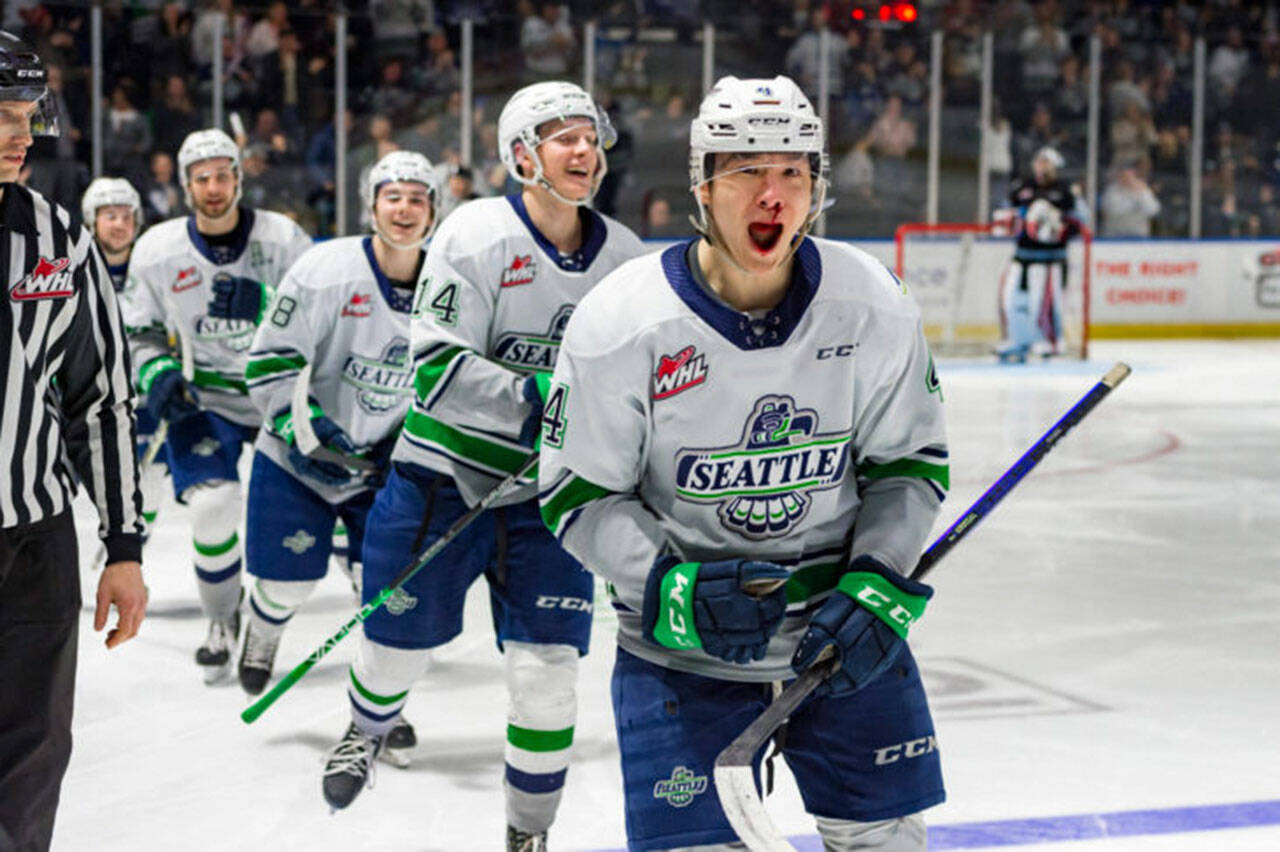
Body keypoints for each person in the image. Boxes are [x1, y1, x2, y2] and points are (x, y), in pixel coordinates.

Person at [537, 75, 949, 851]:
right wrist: (670, 584)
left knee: (888, 840)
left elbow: (909, 465)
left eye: (794, 170)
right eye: (748, 170)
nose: (774, 194)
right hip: (678, 651)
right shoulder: (623, 322)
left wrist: (880, 576)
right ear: (703, 185)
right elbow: (576, 496)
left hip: (841, 639)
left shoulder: (873, 303)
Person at [319, 80, 646, 852]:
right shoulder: (473, 235)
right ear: (520, 153)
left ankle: (527, 831)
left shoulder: (628, 258)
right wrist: (550, 397)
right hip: (440, 482)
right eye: (563, 136)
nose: (583, 150)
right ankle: (367, 727)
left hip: (551, 501)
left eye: (589, 137)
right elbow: (434, 371)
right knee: (396, 650)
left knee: (546, 675)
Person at [0, 32, 147, 850]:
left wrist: (123, 545)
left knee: (30, 759)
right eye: (2, 115)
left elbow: (103, 401)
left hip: (35, 544)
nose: (23, 133)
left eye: (28, 114)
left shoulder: (60, 239)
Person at [238, 150, 438, 719]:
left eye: (418, 198)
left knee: (379, 595)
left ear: (433, 212)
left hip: (382, 468)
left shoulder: (449, 284)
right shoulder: (325, 271)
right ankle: (263, 624)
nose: (404, 208)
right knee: (287, 586)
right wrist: (312, 434)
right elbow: (268, 363)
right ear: (371, 206)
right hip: (297, 459)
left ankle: (379, 712)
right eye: (392, 196)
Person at [118, 128, 312, 683]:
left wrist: (266, 302)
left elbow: (320, 318)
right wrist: (157, 377)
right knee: (212, 507)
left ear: (239, 178)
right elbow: (139, 331)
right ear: (185, 186)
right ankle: (223, 619)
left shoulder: (282, 240)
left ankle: (285, 614)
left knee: (315, 511)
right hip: (207, 398)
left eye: (222, 175)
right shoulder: (158, 250)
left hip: (278, 396)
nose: (213, 186)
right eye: (201, 178)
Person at [81, 176, 169, 547]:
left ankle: (131, 559)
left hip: (147, 400)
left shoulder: (156, 270)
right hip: (91, 403)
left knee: (149, 484)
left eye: (126, 215)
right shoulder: (74, 269)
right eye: (109, 215)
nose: (119, 224)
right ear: (91, 220)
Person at [992, 146, 1084, 362]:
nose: (1041, 166)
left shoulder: (1065, 191)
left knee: (1044, 305)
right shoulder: (1023, 187)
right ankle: (1015, 339)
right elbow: (1009, 214)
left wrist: (1057, 226)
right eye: (1039, 161)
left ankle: (1050, 342)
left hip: (1050, 259)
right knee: (1009, 299)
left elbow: (1078, 222)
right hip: (1022, 255)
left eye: (1046, 162)